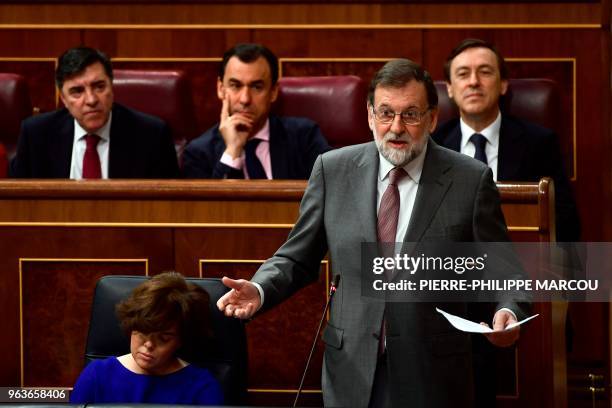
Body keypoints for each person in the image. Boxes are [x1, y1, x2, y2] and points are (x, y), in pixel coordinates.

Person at [216, 59, 529, 407]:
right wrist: (260, 288)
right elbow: (296, 257)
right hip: (351, 367)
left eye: (410, 114)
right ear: (369, 116)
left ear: (432, 118)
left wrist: (509, 311)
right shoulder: (332, 169)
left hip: (433, 373)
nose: (396, 127)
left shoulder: (470, 179)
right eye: (385, 113)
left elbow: (505, 271)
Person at [432, 38, 580, 242]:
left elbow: (564, 223)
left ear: (502, 84)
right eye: (463, 74)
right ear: (449, 88)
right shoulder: (433, 145)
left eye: (485, 72)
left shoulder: (539, 143)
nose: (474, 81)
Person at [9, 46, 179, 179]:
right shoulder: (36, 135)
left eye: (99, 87)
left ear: (112, 88)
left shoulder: (151, 135)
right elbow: (19, 205)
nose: (91, 100)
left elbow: (168, 209)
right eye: (77, 91)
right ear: (63, 99)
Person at [70, 272, 223, 405]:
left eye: (163, 338)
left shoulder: (201, 386)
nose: (149, 344)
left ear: (181, 340)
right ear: (131, 326)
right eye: (143, 331)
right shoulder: (97, 375)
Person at [182, 43, 330, 179]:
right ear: (221, 89)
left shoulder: (304, 137)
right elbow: (209, 208)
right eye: (235, 85)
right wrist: (233, 150)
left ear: (273, 92)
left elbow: (332, 191)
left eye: (256, 87)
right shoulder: (198, 153)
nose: (245, 99)